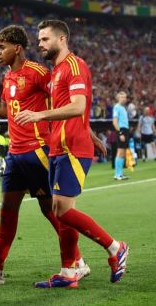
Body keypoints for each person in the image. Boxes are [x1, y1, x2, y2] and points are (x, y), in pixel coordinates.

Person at [0, 25, 89, 287]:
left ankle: (77, 262)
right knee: (7, 212)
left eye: (2, 46)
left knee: (53, 210)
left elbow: (64, 102)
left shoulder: (39, 72)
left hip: (38, 150)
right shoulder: (8, 78)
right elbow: (5, 111)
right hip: (15, 155)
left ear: (16, 48)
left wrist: (87, 132)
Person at [15, 20, 128, 288]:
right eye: (39, 40)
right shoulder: (56, 72)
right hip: (59, 146)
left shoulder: (75, 67)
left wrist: (40, 114)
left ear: (62, 39)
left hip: (72, 148)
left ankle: (115, 247)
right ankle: (68, 273)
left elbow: (78, 106)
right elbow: (73, 111)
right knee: (58, 209)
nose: (39, 44)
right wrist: (93, 136)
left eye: (44, 39)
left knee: (63, 211)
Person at [112, 91, 130, 180]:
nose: (124, 99)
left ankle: (120, 173)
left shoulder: (123, 108)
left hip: (125, 130)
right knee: (120, 152)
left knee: (123, 153)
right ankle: (117, 174)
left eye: (125, 97)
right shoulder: (117, 107)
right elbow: (115, 122)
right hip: (121, 130)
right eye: (122, 97)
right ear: (118, 98)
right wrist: (120, 133)